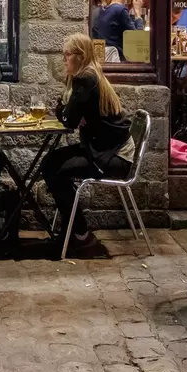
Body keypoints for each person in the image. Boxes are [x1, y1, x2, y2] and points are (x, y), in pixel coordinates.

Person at [42, 33, 134, 255]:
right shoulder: (87, 77)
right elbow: (70, 115)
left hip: (113, 156)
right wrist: (66, 111)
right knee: (50, 163)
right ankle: (73, 230)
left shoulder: (85, 79)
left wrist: (63, 110)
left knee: (54, 170)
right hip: (100, 148)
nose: (64, 59)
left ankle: (80, 234)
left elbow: (68, 120)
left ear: (80, 57)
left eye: (67, 55)